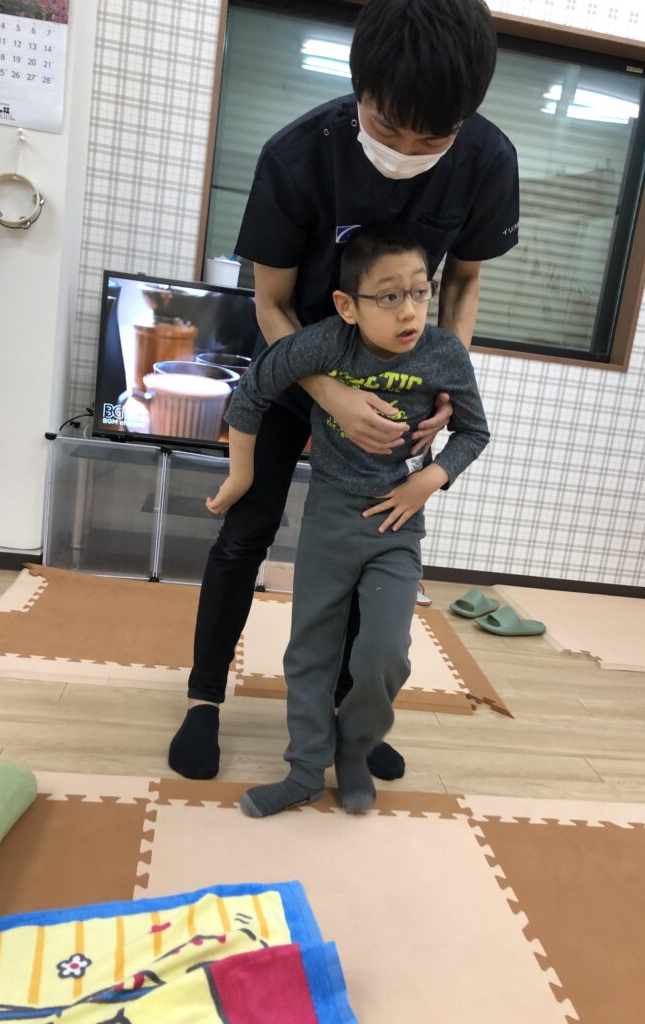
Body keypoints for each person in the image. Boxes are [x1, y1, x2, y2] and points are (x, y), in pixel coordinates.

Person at [168, 0, 519, 782]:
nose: (405, 152)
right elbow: (269, 303)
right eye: (389, 128)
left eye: (432, 139)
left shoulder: (487, 158)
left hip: (397, 383)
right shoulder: (297, 155)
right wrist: (327, 393)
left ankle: (348, 713)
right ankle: (203, 697)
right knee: (247, 531)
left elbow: (463, 284)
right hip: (299, 364)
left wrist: (443, 382)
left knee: (369, 540)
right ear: (360, 87)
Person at [206, 223, 489, 816]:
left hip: (396, 525)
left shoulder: (443, 353)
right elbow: (252, 391)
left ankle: (355, 750)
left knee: (385, 653)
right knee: (311, 649)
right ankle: (306, 770)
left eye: (420, 291)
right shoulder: (326, 344)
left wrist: (429, 480)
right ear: (347, 305)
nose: (409, 309)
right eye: (388, 296)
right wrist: (242, 476)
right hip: (331, 517)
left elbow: (473, 432)